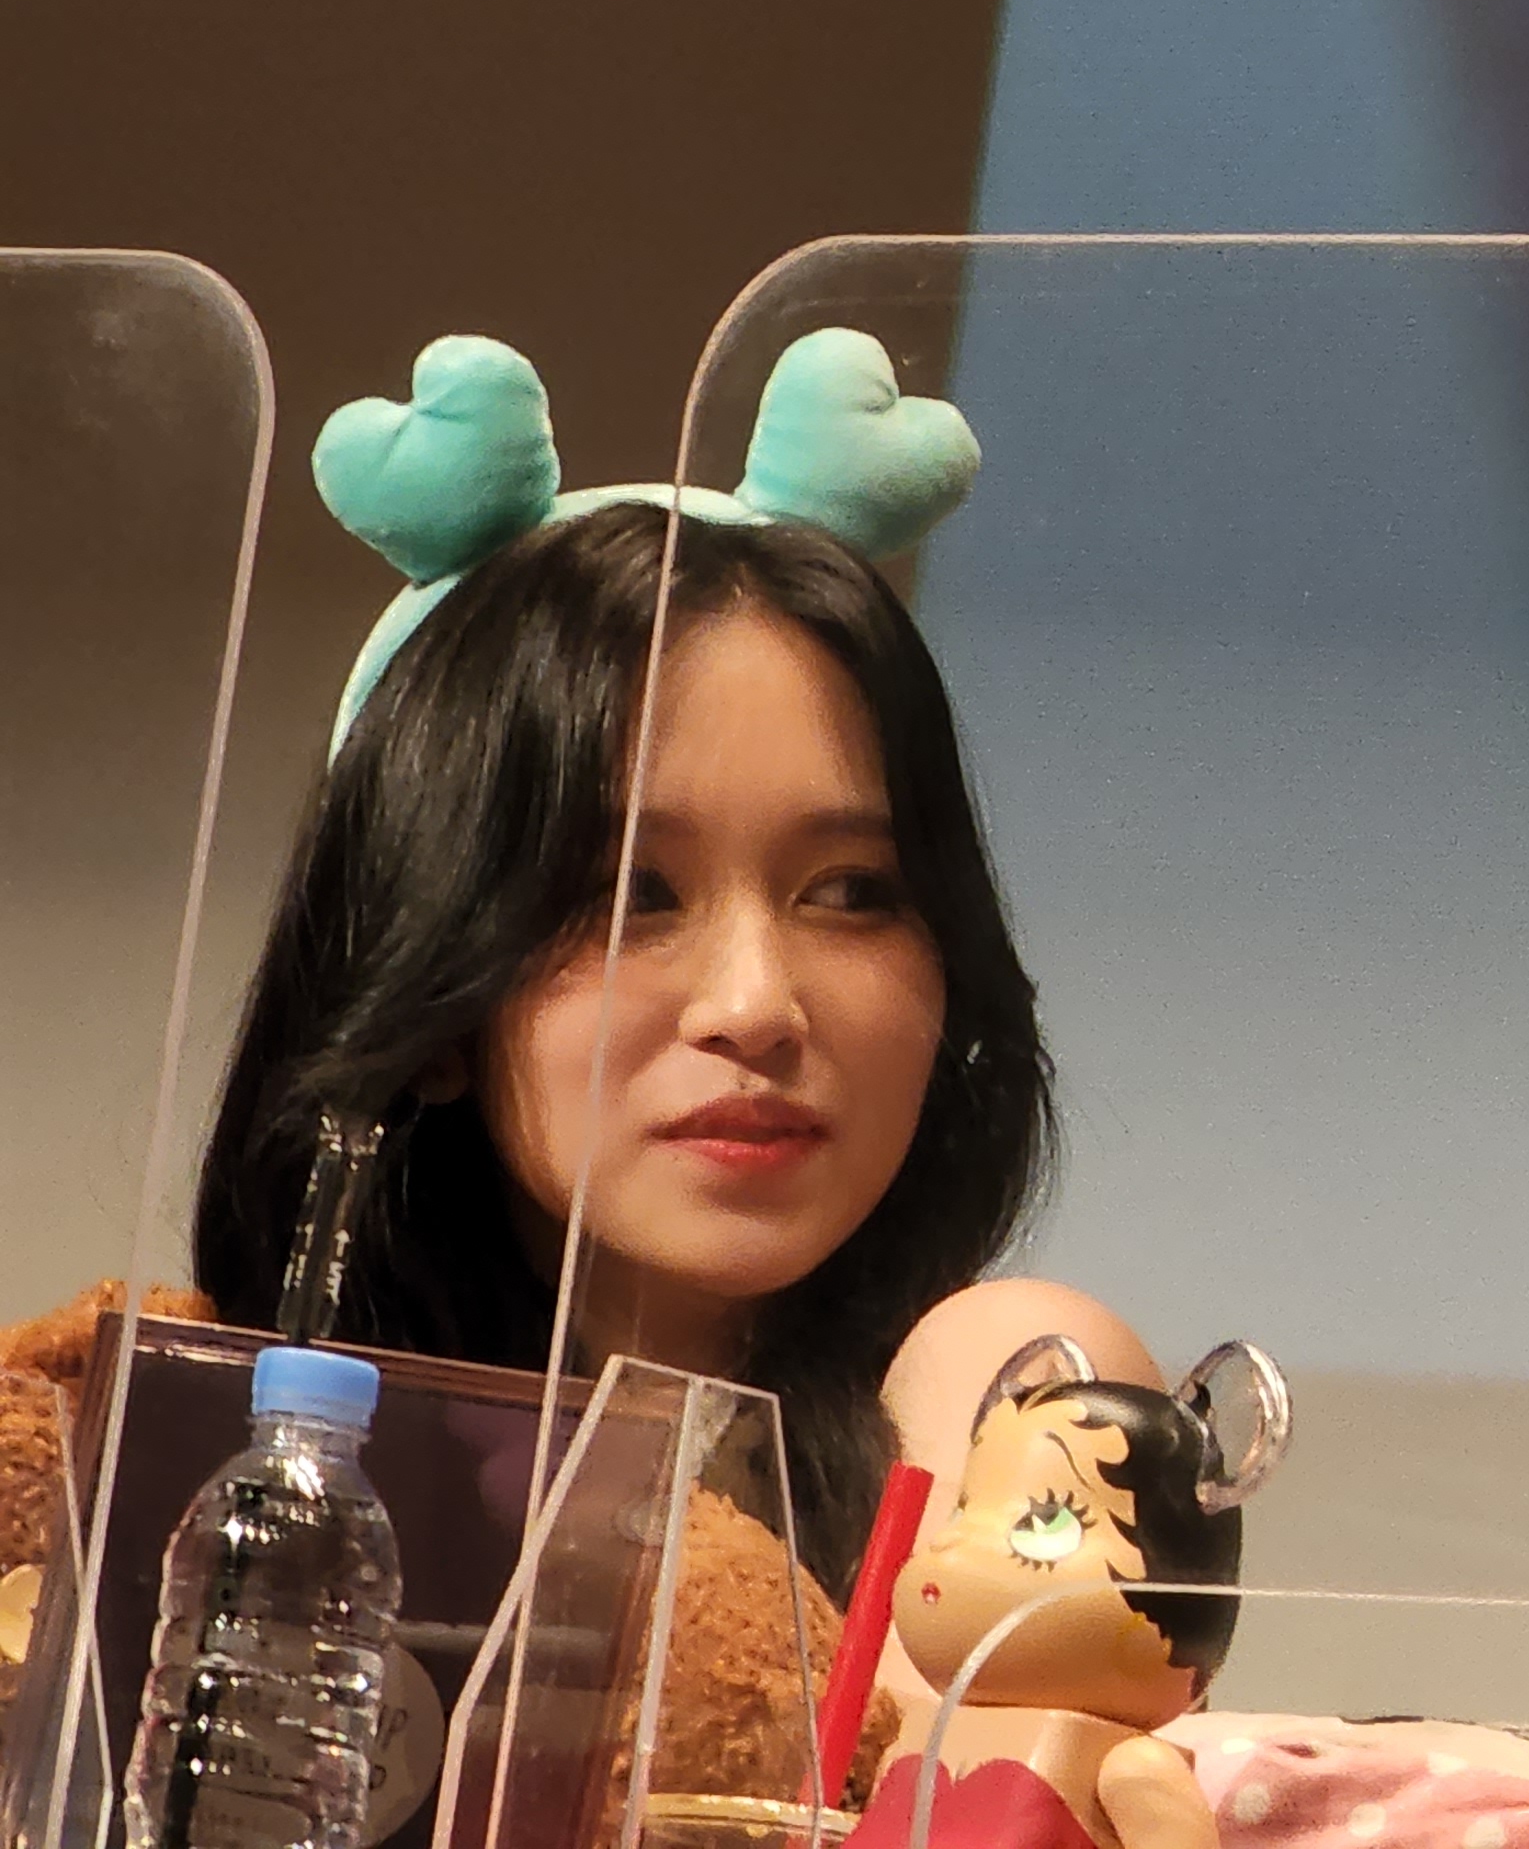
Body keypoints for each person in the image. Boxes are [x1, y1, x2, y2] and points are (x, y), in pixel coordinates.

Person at [196, 340, 1150, 1575]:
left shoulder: (1020, 1417)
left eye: (851, 892)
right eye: (627, 896)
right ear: (429, 991)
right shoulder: (214, 1482)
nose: (754, 1006)